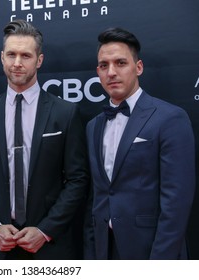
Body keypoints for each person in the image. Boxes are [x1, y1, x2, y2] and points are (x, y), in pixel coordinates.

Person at [0, 19, 89, 260]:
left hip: (49, 247)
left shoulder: (65, 113)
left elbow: (78, 180)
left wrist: (45, 230)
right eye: (11, 54)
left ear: (39, 60)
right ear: (2, 58)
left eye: (26, 55)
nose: (17, 63)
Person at [83, 27, 196, 259]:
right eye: (104, 65)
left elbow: (176, 203)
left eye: (120, 63)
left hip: (152, 251)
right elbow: (97, 197)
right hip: (105, 252)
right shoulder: (93, 126)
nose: (111, 72)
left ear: (139, 67)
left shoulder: (170, 118)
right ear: (97, 71)